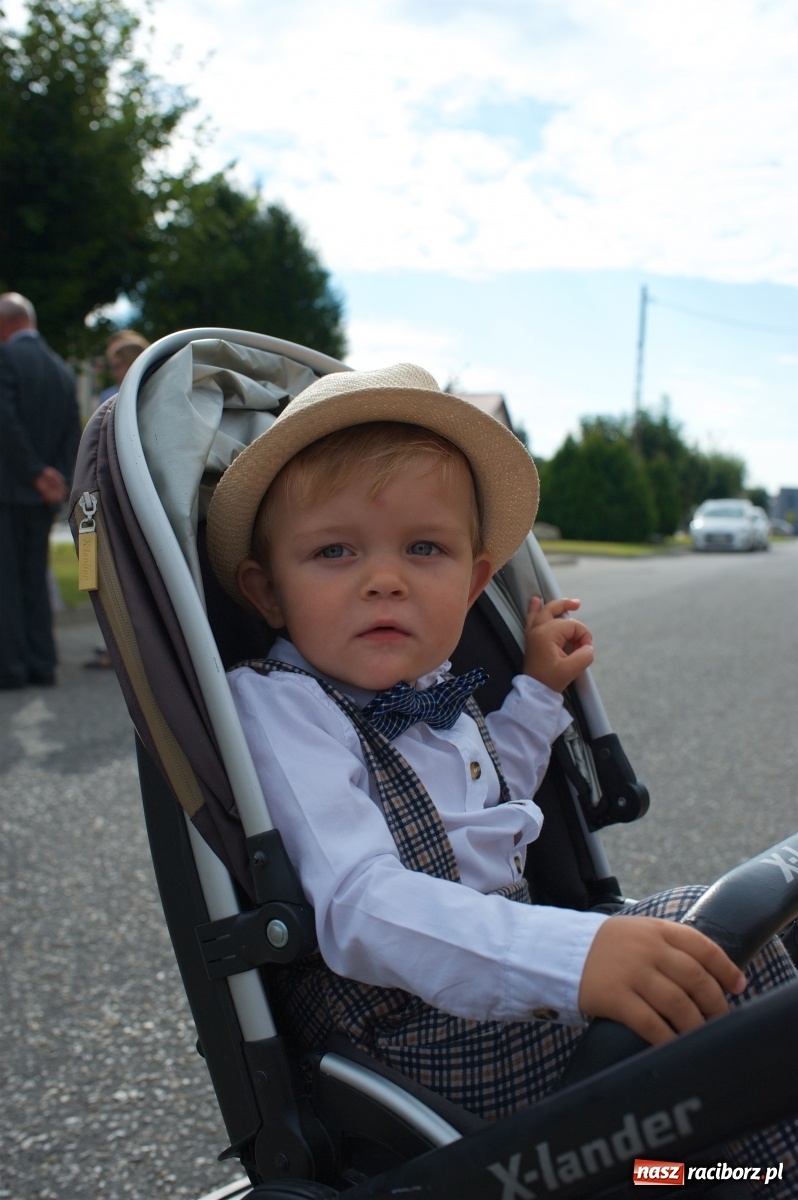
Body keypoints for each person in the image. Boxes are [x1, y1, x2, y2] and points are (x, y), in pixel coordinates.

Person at [205, 364, 797, 1185]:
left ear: (475, 581)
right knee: (732, 973)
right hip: (415, 1034)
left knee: (748, 945)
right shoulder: (284, 708)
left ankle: (713, 1171)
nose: (386, 577)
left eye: (425, 548)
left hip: (497, 985)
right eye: (335, 550)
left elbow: (488, 804)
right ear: (267, 593)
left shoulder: (424, 692)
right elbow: (362, 904)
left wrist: (540, 693)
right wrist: (574, 953)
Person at [0, 293, 81, 689]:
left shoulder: (5, 360)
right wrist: (57, 479)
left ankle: (12, 668)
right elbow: (72, 432)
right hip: (44, 494)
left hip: (10, 489)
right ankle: (42, 663)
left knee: (8, 582)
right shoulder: (61, 371)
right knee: (34, 578)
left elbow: (6, 424)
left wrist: (33, 472)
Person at [84, 328, 150, 669]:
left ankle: (119, 649)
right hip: (148, 498)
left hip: (114, 497)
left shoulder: (113, 399)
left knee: (116, 574)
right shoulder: (154, 393)